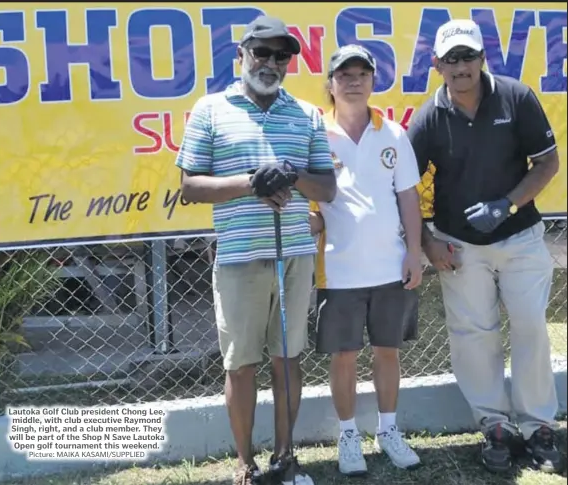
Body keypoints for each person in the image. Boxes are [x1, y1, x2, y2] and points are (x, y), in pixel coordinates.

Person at [175, 15, 336, 485]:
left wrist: (290, 174)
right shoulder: (209, 109)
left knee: (288, 361)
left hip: (295, 257)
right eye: (260, 52)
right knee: (242, 366)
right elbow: (190, 186)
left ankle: (285, 459)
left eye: (280, 55)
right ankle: (245, 465)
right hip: (240, 258)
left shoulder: (305, 114)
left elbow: (325, 187)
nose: (270, 62)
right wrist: (250, 183)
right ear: (241, 55)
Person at [406, 19, 563, 474]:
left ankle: (538, 426)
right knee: (474, 335)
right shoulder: (430, 115)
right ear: (437, 66)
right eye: (451, 59)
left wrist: (507, 204)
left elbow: (547, 162)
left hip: (520, 236)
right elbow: (403, 188)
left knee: (532, 327)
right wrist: (427, 241)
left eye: (467, 57)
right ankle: (494, 424)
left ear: (482, 59)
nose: (460, 67)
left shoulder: (516, 96)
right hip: (459, 246)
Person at [309, 44, 424, 476]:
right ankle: (348, 435)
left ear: (374, 82)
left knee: (388, 352)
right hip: (338, 272)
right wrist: (312, 220)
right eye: (344, 74)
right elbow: (311, 201)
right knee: (344, 356)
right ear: (331, 84)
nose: (353, 81)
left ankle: (389, 430)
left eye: (362, 74)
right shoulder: (314, 135)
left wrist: (414, 251)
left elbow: (408, 197)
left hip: (390, 268)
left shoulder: (393, 133)